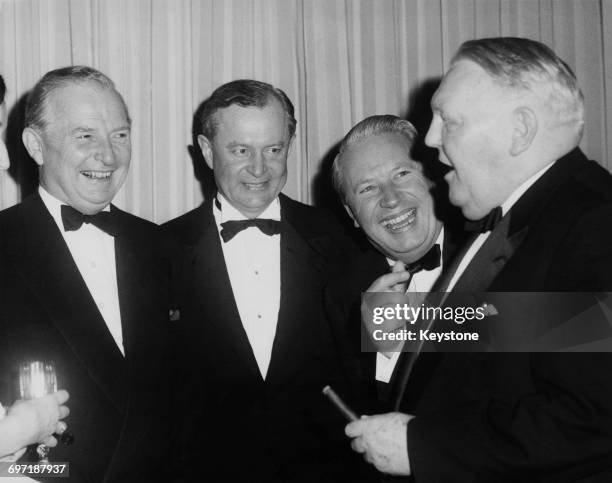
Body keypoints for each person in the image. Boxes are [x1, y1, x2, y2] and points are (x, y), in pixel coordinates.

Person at [345, 37, 612, 482]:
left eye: (447, 120)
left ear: (520, 129)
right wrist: (403, 325)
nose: (429, 139)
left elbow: (594, 415)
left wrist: (423, 445)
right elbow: (532, 334)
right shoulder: (528, 218)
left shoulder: (595, 225)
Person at [164, 79, 359, 481]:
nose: (259, 168)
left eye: (274, 149)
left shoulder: (346, 239)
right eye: (240, 151)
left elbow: (409, 348)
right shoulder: (157, 250)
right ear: (206, 150)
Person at [0, 66, 171, 482]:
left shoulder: (167, 247)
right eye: (85, 136)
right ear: (35, 146)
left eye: (120, 135)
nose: (108, 156)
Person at [325, 115, 464, 416]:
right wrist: (381, 348)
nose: (390, 199)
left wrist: (406, 343)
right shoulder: (340, 293)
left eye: (401, 174)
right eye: (367, 189)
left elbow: (580, 331)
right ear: (351, 213)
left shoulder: (496, 246)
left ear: (433, 177)